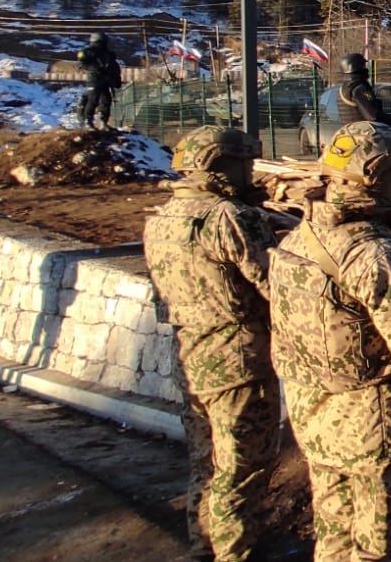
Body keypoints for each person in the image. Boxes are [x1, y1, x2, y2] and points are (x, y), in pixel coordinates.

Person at [268, 121, 391, 560]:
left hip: (315, 421)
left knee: (335, 538)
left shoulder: (297, 238)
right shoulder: (375, 254)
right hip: (375, 432)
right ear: (380, 177)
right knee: (380, 549)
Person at [142, 126, 280, 561]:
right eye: (245, 164)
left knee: (206, 462)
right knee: (241, 469)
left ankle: (202, 547)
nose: (251, 172)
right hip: (238, 362)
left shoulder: (161, 219)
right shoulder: (232, 219)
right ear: (222, 166)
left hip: (190, 358)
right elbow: (277, 287)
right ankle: (234, 552)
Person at [77, 32, 123, 129]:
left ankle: (103, 122)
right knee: (93, 99)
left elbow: (114, 68)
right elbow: (82, 64)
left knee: (106, 100)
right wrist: (95, 68)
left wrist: (117, 80)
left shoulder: (109, 54)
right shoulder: (89, 52)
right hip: (94, 79)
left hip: (105, 80)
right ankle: (88, 121)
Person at [336, 52, 391, 127]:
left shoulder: (342, 88)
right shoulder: (359, 88)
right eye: (363, 66)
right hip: (364, 134)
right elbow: (372, 116)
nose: (366, 69)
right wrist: (389, 119)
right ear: (357, 67)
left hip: (348, 132)